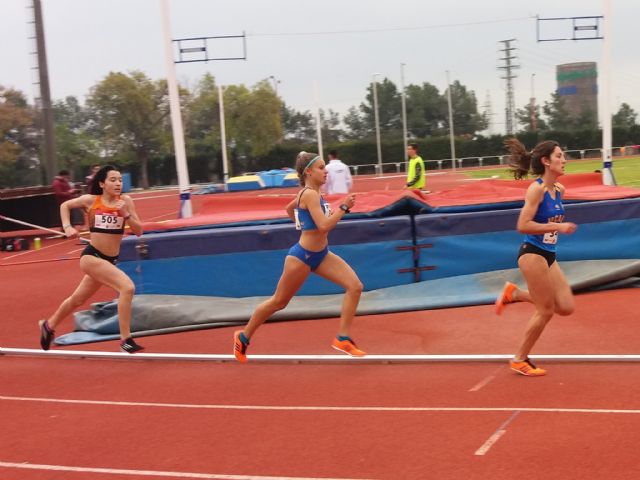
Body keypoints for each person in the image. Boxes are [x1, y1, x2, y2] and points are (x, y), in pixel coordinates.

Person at [233, 151, 365, 362]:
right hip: (302, 257)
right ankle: (243, 336)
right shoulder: (310, 194)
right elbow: (323, 227)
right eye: (321, 168)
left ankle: (343, 338)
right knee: (278, 302)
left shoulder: (311, 193)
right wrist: (343, 208)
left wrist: (302, 224)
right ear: (308, 172)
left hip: (321, 255)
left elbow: (289, 209)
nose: (326, 172)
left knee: (355, 286)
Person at [38, 165, 145, 353]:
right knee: (127, 287)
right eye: (113, 180)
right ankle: (126, 340)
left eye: (120, 179)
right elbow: (65, 205)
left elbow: (138, 231)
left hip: (109, 261)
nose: (118, 183)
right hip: (91, 257)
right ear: (102, 183)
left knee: (77, 300)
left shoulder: (126, 201)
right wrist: (67, 226)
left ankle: (48, 325)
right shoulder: (91, 201)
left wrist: (125, 215)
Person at [495, 139, 577, 376]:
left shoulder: (559, 190)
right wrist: (556, 228)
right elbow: (523, 224)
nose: (564, 160)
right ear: (546, 161)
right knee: (546, 310)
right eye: (559, 156)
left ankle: (515, 294)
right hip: (532, 254)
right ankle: (519, 359)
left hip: (549, 254)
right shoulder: (536, 189)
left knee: (566, 306)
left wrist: (554, 228)